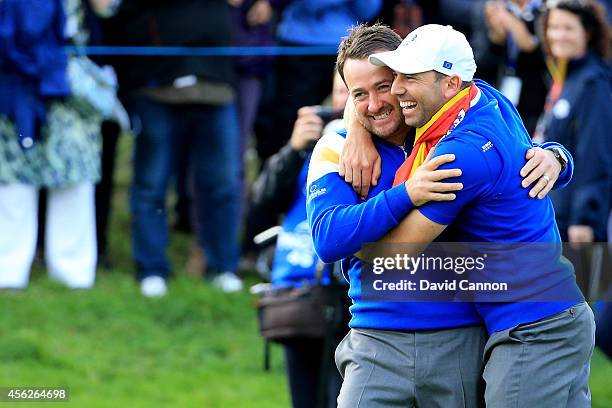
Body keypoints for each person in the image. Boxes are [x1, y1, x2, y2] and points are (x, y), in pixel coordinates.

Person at [306, 23, 574, 407]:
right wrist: (404, 192)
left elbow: (507, 149)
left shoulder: (448, 129)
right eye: (358, 94)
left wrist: (556, 157)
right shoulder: (339, 148)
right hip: (375, 337)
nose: (376, 103)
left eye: (386, 86)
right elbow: (329, 239)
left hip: (462, 334)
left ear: (405, 79)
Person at [107, 0, 242, 296]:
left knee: (222, 184)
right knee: (151, 185)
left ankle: (223, 267)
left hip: (215, 85)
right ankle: (151, 269)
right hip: (155, 84)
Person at [253, 71, 349, 408]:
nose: (347, 100)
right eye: (341, 91)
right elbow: (263, 201)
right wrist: (293, 150)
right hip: (297, 291)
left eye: (357, 93)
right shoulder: (312, 145)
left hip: (346, 294)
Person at [0, 0, 112, 288]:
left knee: (73, 177)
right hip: (14, 81)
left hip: (68, 85)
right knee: (14, 180)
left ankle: (72, 271)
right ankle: (8, 269)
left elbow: (109, 9)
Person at [535, 0, 611, 245]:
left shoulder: (593, 83)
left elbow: (595, 154)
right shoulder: (565, 76)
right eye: (554, 27)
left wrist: (586, 218)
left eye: (568, 28)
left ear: (586, 33)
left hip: (576, 225)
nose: (558, 35)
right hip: (555, 215)